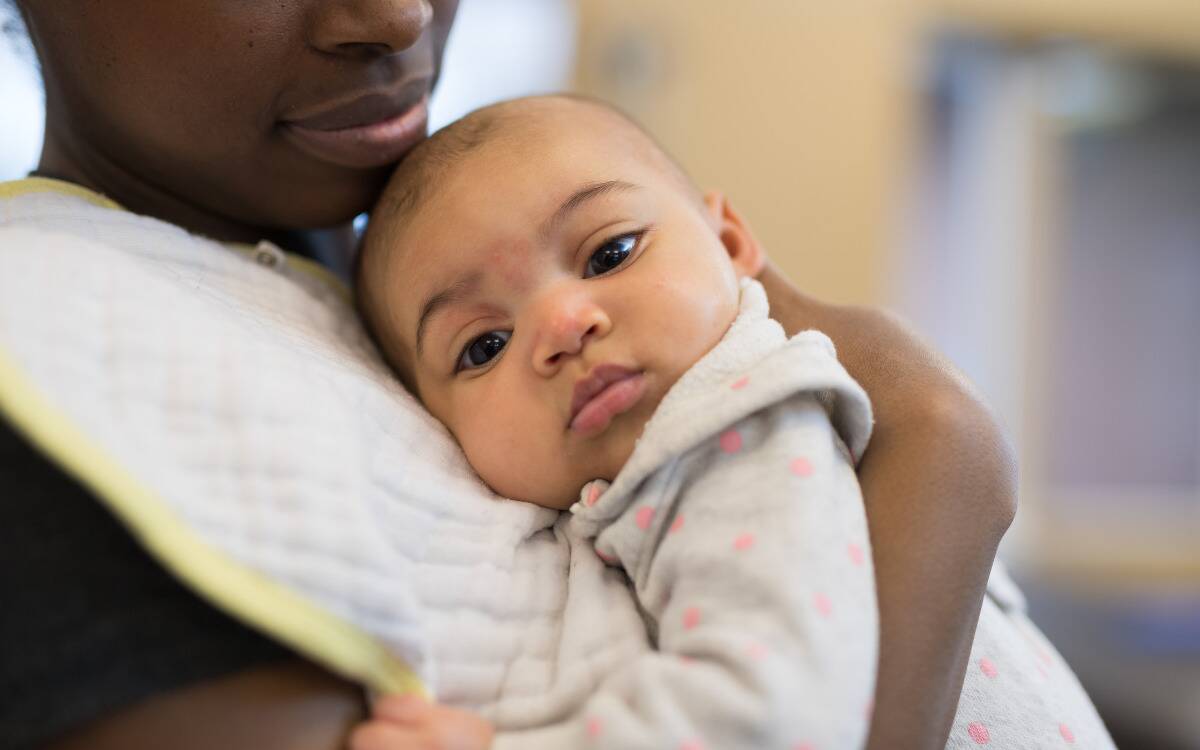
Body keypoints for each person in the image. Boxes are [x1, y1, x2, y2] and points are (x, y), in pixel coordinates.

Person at [0, 2, 1016, 749]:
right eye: (480, 347)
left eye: (609, 252)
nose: (398, 17)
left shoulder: (455, 220)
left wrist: (946, 437)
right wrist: (944, 446)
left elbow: (925, 422)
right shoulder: (60, 360)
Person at [350, 94, 1113, 750]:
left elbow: (769, 714)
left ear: (730, 243)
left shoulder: (732, 427)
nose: (562, 326)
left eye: (609, 253)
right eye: (484, 345)